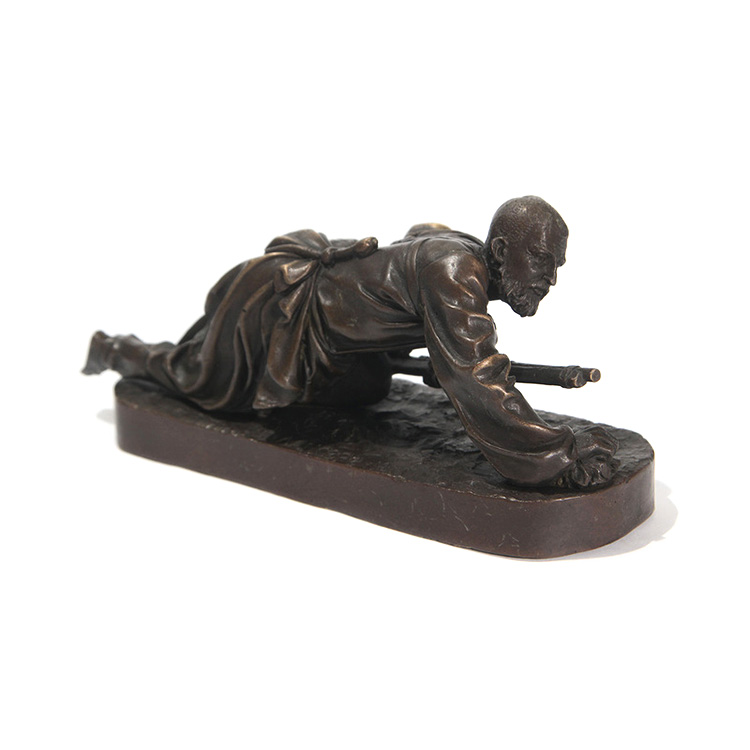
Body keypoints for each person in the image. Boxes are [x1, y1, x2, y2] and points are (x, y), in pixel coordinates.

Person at [84, 196, 618, 489]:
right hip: (279, 309)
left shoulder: (457, 252)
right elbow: (474, 374)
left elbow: (414, 243)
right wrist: (558, 451)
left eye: (557, 265)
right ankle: (115, 349)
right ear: (500, 249)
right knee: (199, 380)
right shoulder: (455, 270)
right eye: (541, 260)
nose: (550, 278)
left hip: (335, 348)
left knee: (365, 396)